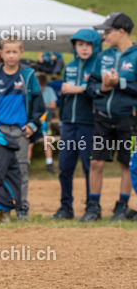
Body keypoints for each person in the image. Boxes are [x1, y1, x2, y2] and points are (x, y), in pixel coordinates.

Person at [0, 38, 43, 219]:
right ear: (1, 54)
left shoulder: (28, 75)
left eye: (15, 52)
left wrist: (33, 125)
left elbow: (38, 103)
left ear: (21, 53)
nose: (11, 56)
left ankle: (21, 208)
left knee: (21, 170)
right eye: (7, 52)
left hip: (20, 131)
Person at [84, 12, 137, 222]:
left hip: (128, 119)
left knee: (126, 164)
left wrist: (120, 84)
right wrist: (103, 87)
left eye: (108, 32)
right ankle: (92, 207)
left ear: (121, 32)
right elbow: (91, 86)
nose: (104, 36)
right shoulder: (103, 57)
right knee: (96, 163)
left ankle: (121, 208)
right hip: (102, 119)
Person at [53, 28, 99, 220]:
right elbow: (65, 91)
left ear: (95, 46)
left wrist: (78, 89)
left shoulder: (98, 67)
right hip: (68, 124)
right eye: (80, 45)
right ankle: (66, 207)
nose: (84, 49)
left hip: (88, 123)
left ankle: (91, 207)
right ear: (74, 47)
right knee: (64, 166)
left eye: (88, 45)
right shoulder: (70, 66)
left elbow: (99, 91)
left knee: (89, 167)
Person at [35, 73, 58, 173]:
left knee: (47, 141)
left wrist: (45, 105)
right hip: (34, 121)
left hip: (45, 120)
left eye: (43, 85)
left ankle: (49, 164)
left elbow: (53, 105)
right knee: (29, 144)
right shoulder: (32, 91)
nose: (41, 87)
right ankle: (25, 164)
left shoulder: (49, 90)